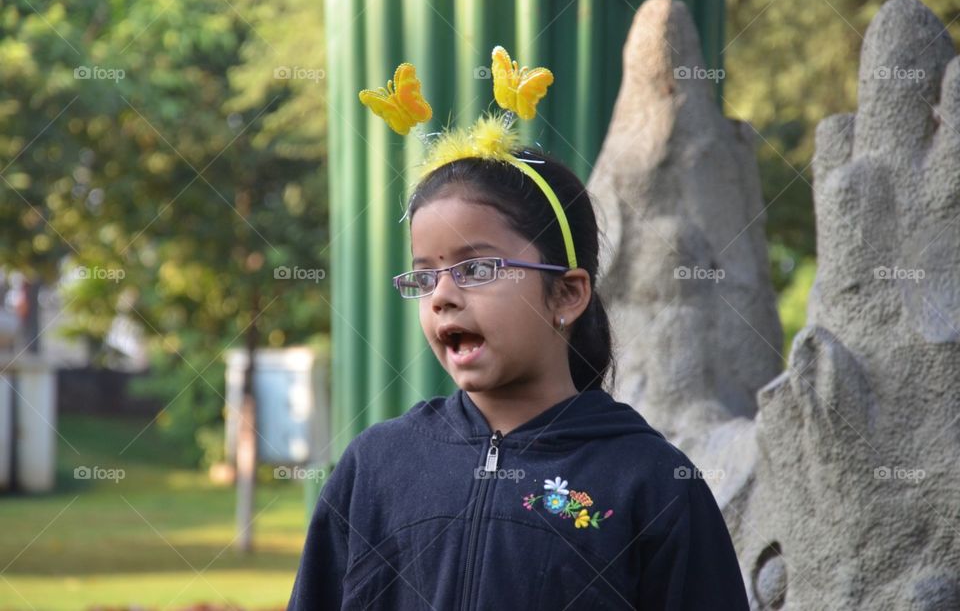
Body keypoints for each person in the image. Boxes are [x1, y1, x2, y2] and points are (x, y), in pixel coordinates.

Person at [287, 46, 749, 610]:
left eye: (476, 268)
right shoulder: (375, 467)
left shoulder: (651, 483)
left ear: (567, 293)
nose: (443, 297)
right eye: (424, 275)